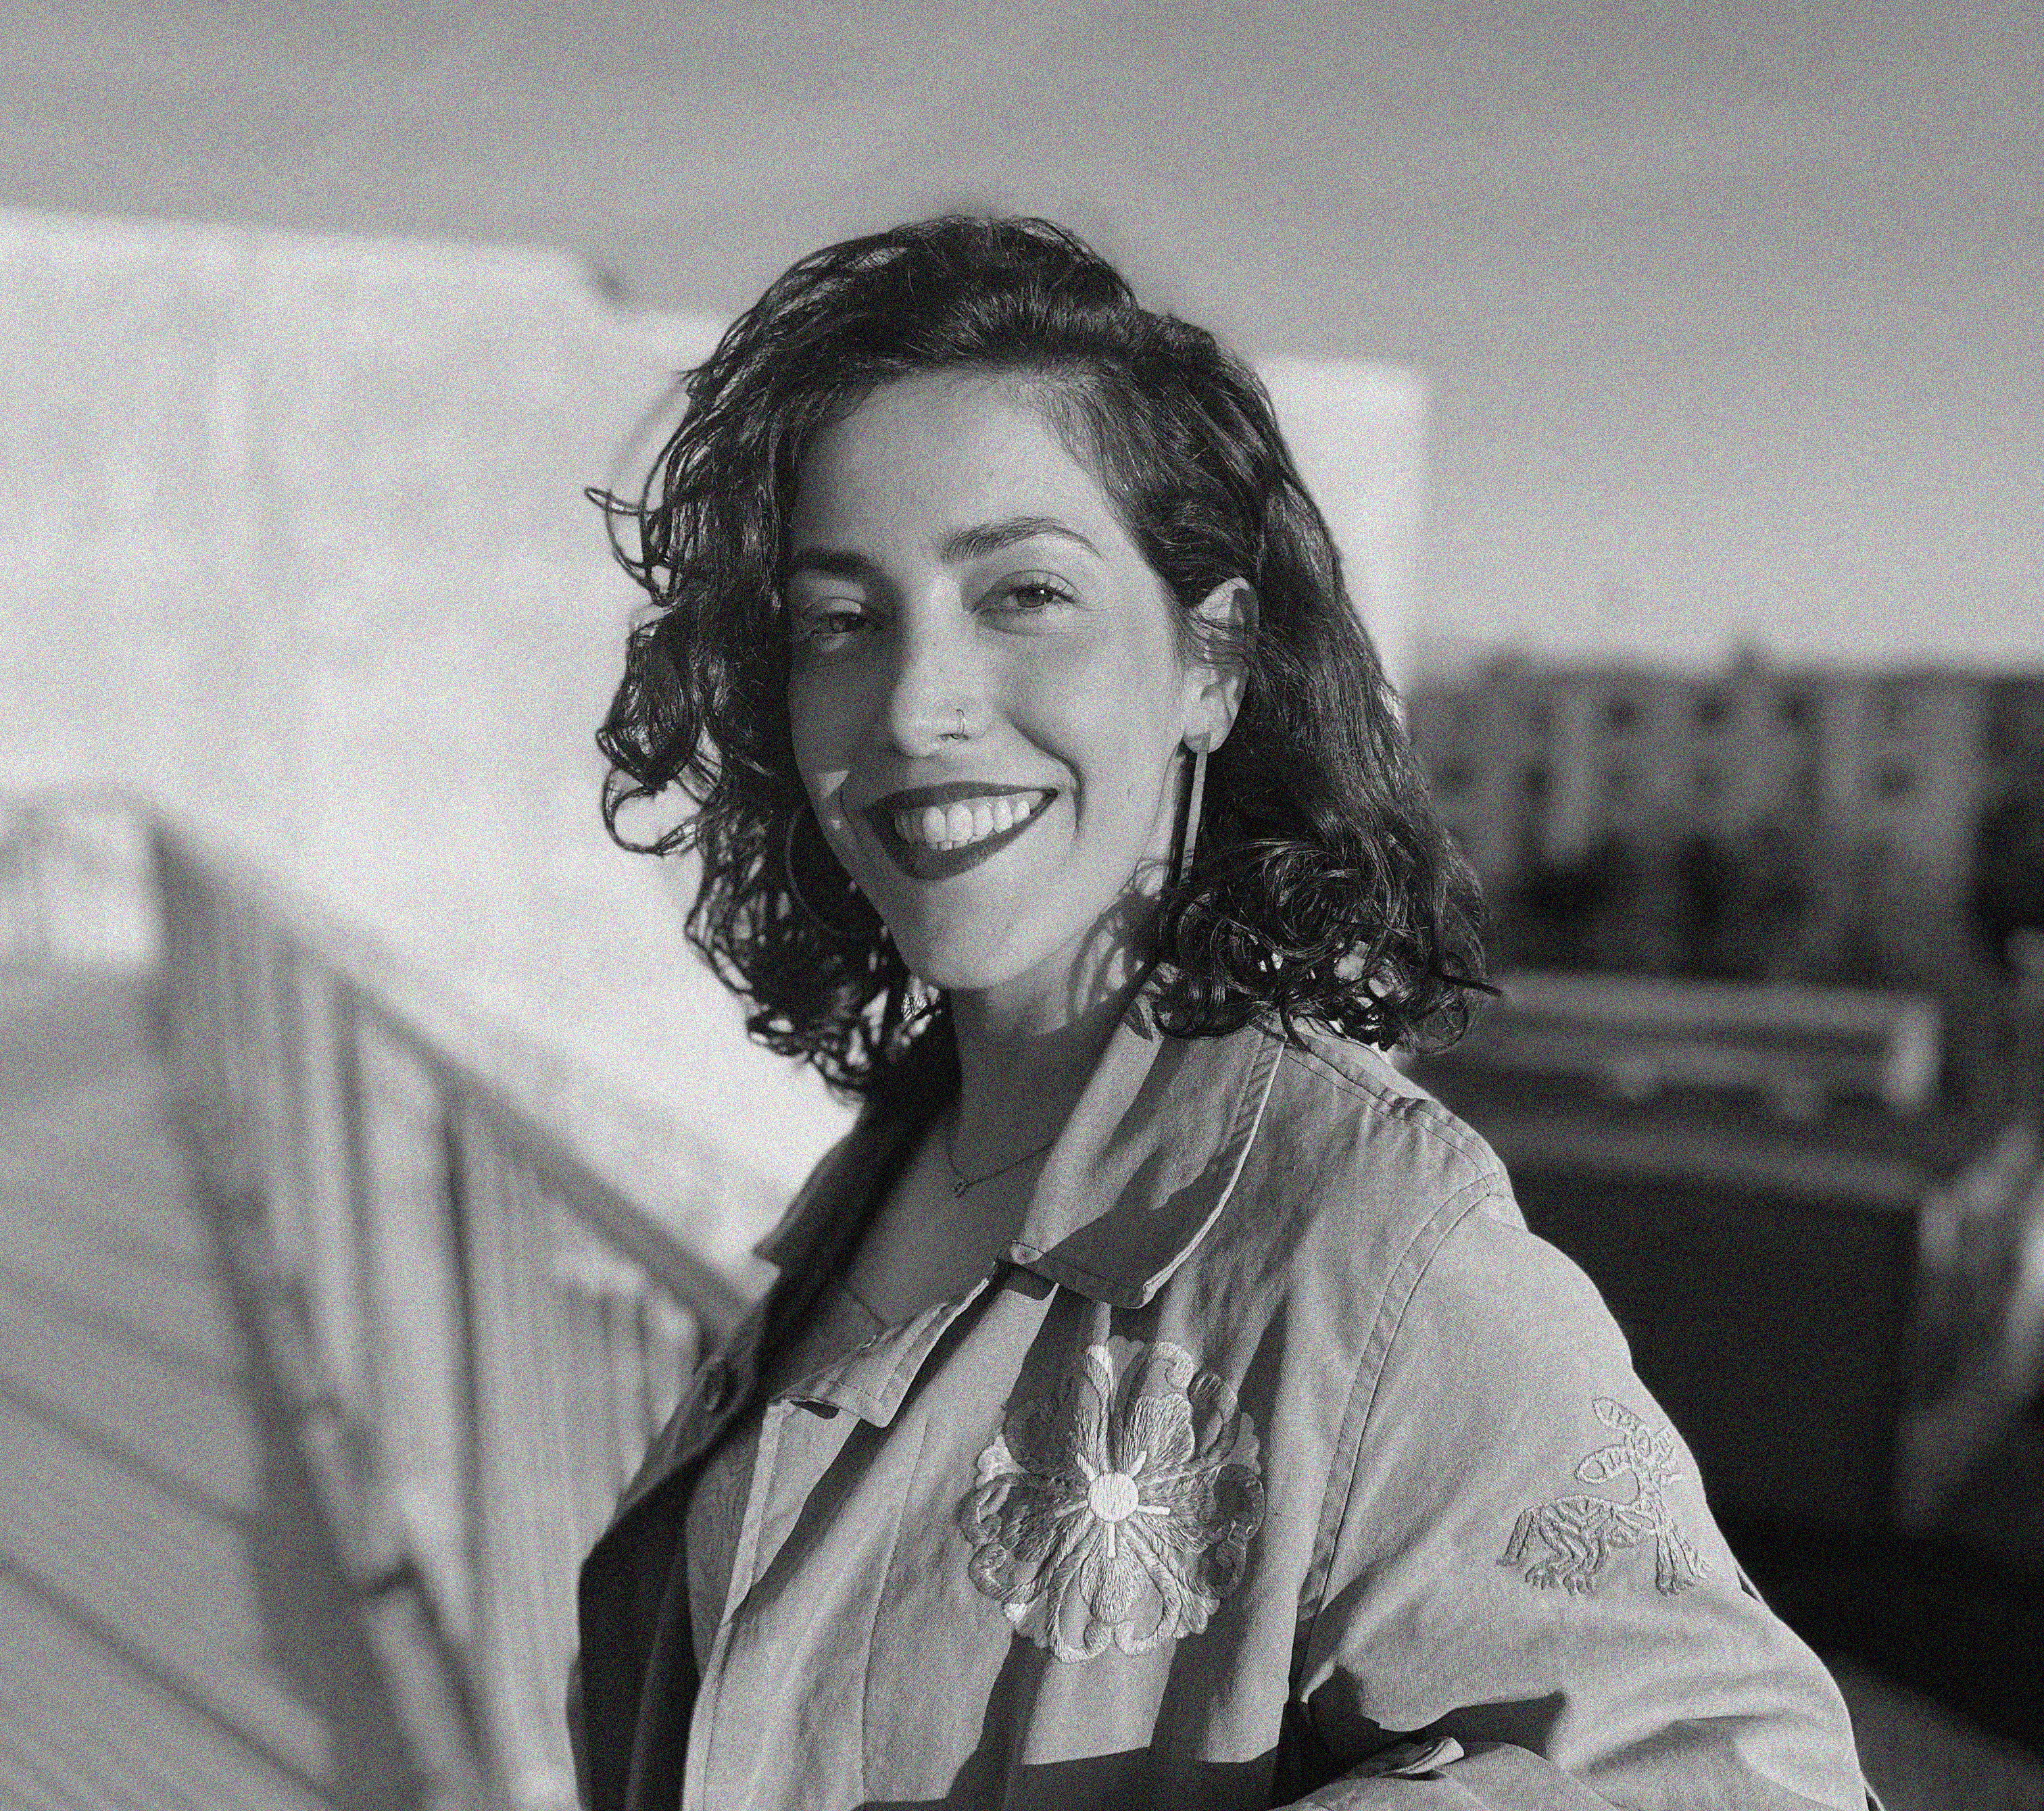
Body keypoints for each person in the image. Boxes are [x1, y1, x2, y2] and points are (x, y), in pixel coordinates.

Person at [571, 216, 1873, 1811]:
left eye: (1022, 592)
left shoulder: (1369, 1249)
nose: (916, 704)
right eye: (840, 619)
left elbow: (1751, 1780)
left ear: (1212, 658)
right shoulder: (893, 1167)